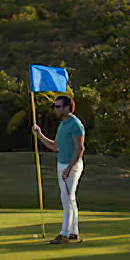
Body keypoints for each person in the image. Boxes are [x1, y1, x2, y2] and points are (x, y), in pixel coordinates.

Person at [32, 94, 85, 243]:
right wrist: (39, 134)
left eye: (58, 106)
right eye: (55, 106)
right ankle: (73, 231)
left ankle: (65, 233)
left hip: (72, 165)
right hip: (62, 163)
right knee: (69, 198)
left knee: (66, 198)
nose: (55, 109)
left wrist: (69, 168)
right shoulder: (63, 124)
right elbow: (55, 146)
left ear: (67, 108)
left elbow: (80, 148)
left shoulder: (75, 124)